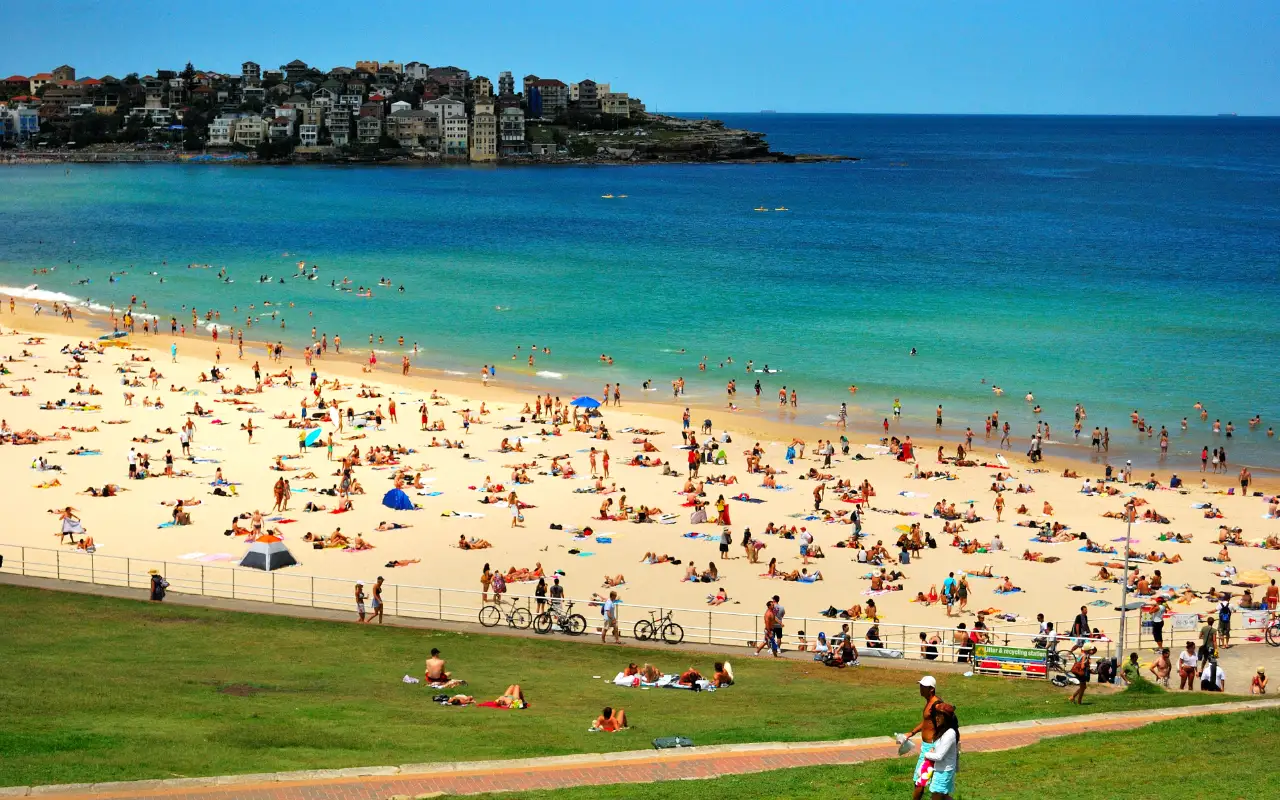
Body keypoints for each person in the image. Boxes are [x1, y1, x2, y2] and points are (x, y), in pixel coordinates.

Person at [905, 676, 943, 800]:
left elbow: (942, 726)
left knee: (919, 782)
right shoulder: (929, 702)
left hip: (931, 748)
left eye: (923, 687)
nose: (920, 689)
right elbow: (927, 722)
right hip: (927, 747)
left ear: (931, 689)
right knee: (925, 782)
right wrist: (912, 732)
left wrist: (936, 746)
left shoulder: (937, 705)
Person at [920, 701, 960, 800]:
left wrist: (926, 754)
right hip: (941, 770)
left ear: (946, 718)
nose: (936, 718)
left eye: (940, 716)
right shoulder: (943, 731)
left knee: (937, 797)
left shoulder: (950, 733)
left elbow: (939, 756)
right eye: (936, 715)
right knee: (944, 797)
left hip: (944, 772)